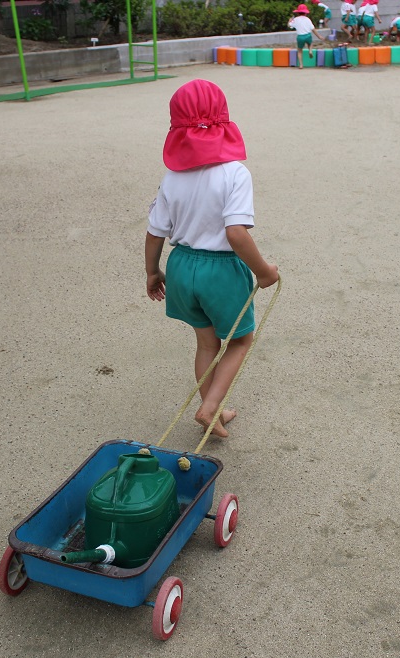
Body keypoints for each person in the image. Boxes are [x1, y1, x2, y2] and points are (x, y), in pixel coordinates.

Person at [145, 80, 279, 439]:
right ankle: (210, 407)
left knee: (206, 343)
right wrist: (264, 272)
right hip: (220, 272)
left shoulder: (172, 177)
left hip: (181, 267)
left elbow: (155, 232)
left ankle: (214, 412)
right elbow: (236, 233)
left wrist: (152, 272)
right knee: (240, 341)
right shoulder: (235, 173)